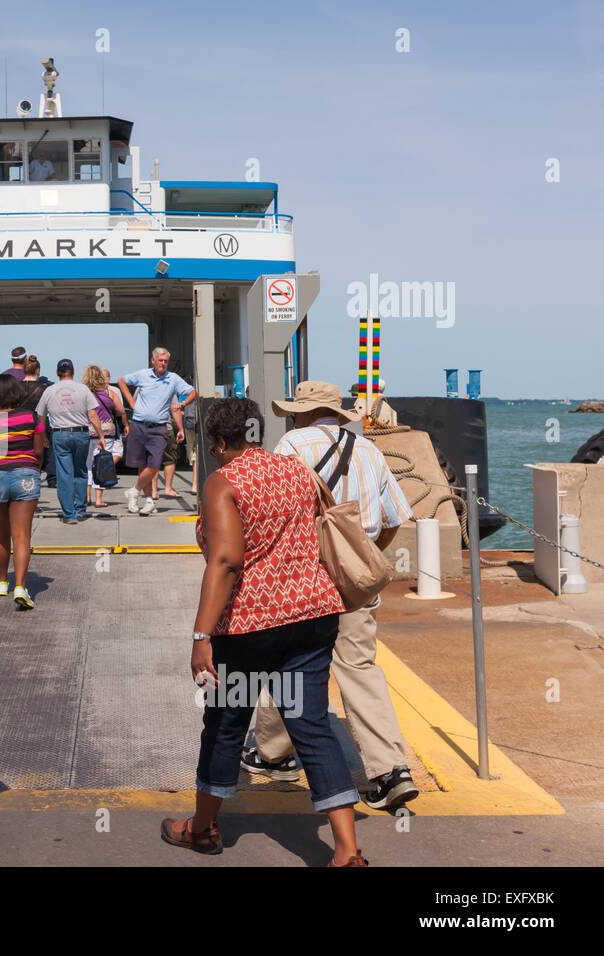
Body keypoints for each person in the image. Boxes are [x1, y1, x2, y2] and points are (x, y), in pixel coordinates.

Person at [162, 398, 367, 866]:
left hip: (250, 627)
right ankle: (347, 852)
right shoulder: (297, 471)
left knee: (227, 723)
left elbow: (227, 560)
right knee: (312, 726)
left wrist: (201, 637)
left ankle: (203, 829)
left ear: (217, 442)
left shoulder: (224, 482)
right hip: (313, 615)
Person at [244, 380, 419, 812]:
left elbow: (274, 509)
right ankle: (390, 770)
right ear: (337, 414)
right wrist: (360, 558)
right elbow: (395, 517)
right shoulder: (369, 450)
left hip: (305, 576)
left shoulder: (290, 444)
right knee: (359, 666)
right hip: (355, 580)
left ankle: (275, 753)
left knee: (287, 662)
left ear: (299, 412)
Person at [0, 374, 45, 608]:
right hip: (26, 475)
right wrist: (32, 469)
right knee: (21, 535)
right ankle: (21, 587)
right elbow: (39, 452)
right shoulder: (32, 417)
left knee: (0, 533)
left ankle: (2, 581)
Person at [119, 348, 196, 516]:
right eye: (160, 360)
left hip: (159, 427)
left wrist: (182, 405)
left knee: (154, 465)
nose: (163, 364)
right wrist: (131, 401)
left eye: (166, 361)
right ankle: (147, 501)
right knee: (142, 464)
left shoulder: (173, 379)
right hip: (139, 425)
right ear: (152, 361)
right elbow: (121, 381)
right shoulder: (143, 375)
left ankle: (134, 490)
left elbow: (192, 392)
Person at [35, 359, 105, 524]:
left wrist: (44, 437)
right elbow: (93, 414)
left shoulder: (49, 391)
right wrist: (101, 436)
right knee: (80, 471)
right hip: (81, 434)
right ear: (73, 371)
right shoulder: (83, 389)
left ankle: (69, 514)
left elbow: (40, 416)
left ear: (58, 373)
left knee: (64, 475)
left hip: (60, 435)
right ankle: (80, 510)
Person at [81, 364, 127, 508]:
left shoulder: (84, 393)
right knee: (101, 465)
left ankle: (87, 497)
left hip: (87, 432)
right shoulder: (109, 393)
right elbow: (120, 411)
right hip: (106, 433)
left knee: (87, 465)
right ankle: (99, 499)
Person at [21, 355, 53, 485]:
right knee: (38, 457)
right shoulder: (45, 389)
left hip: (19, 425)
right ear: (38, 370)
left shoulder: (15, 387)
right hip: (38, 426)